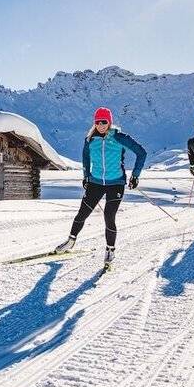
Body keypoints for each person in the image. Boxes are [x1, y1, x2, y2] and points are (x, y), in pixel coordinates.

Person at [54, 107, 147, 269]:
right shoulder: (90, 140)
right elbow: (85, 158)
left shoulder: (119, 137)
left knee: (108, 215)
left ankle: (110, 250)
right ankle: (70, 241)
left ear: (109, 122)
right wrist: (86, 177)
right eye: (98, 122)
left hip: (116, 183)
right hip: (96, 182)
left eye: (104, 122)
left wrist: (135, 175)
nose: (101, 125)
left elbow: (141, 152)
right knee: (83, 212)